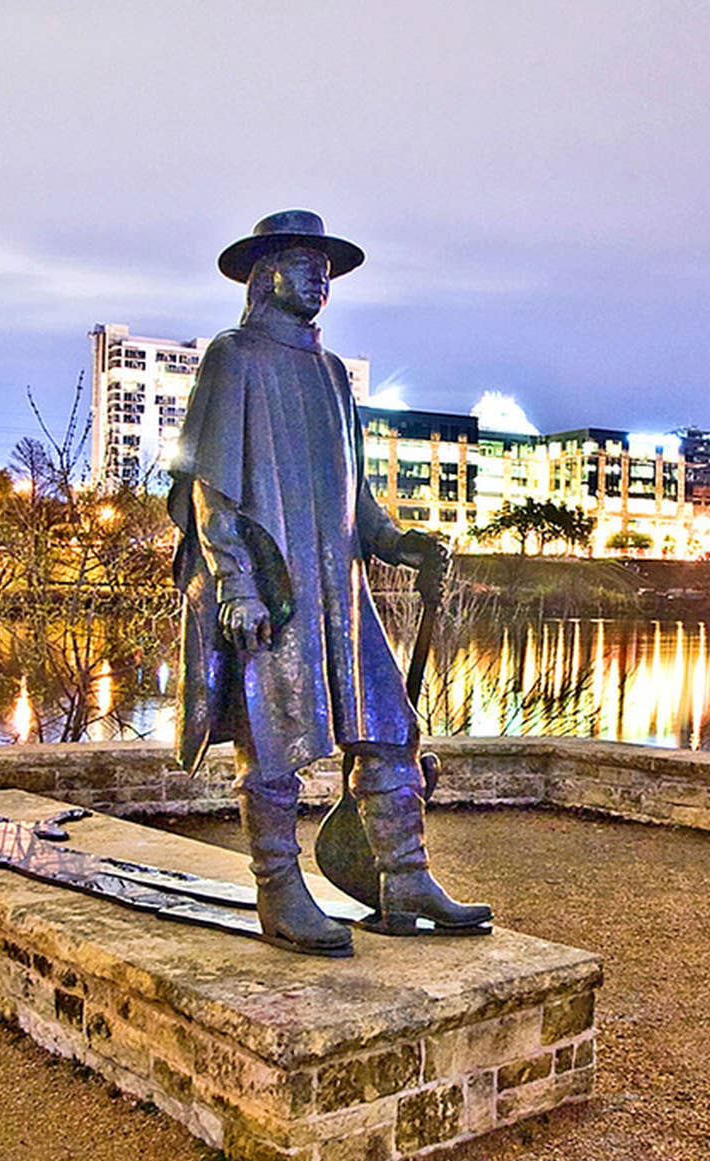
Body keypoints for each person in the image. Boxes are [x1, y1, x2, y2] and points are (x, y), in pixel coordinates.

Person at [167, 210, 491, 957]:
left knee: (391, 730)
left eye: (327, 267)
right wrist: (235, 585)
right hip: (272, 587)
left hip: (340, 594)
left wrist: (395, 541)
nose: (321, 278)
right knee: (271, 745)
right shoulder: (234, 358)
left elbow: (354, 489)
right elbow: (211, 489)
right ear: (265, 272)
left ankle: (403, 877)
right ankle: (279, 890)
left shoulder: (331, 372)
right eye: (305, 262)